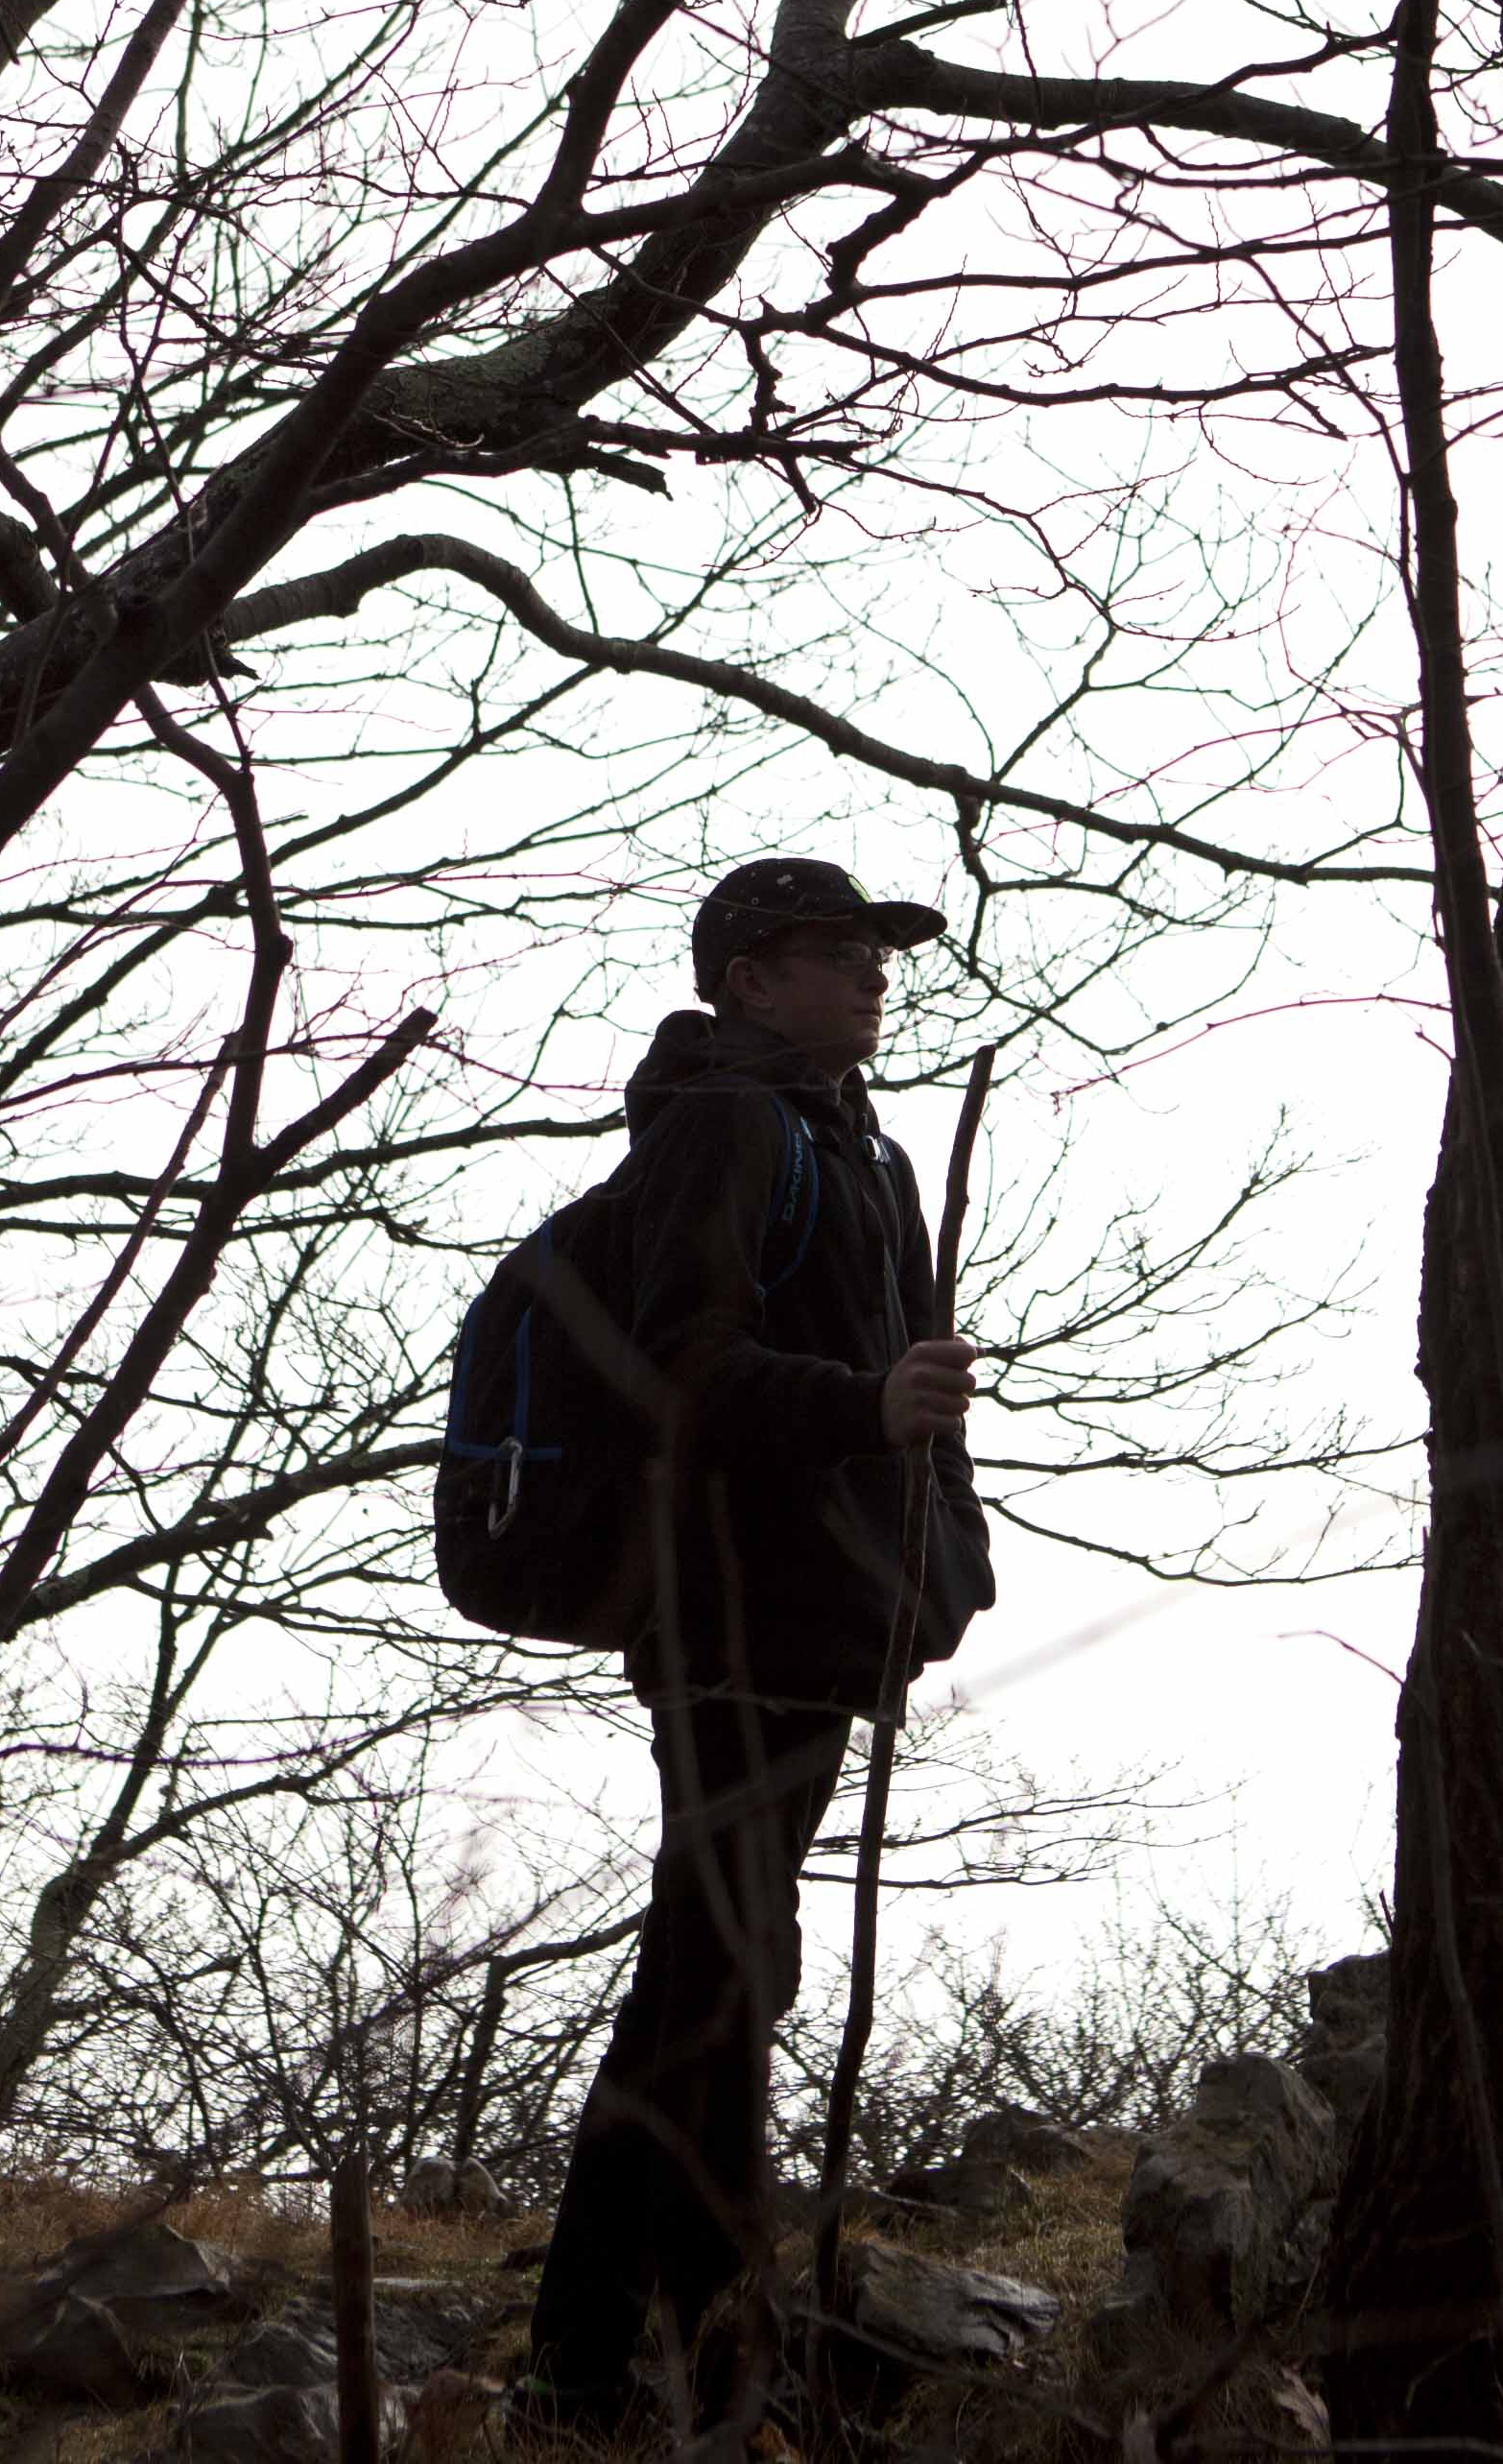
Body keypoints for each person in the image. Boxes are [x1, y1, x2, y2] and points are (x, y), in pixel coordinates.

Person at [518, 857, 999, 2442]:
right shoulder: (728, 1125)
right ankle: (623, 2360)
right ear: (745, 977)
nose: (873, 973)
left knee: (723, 1966)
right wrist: (864, 1410)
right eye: (835, 950)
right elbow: (681, 1371)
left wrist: (943, 1568)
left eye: (877, 951)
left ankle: (635, 2358)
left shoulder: (863, 1148)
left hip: (824, 1613)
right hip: (732, 1610)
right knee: (717, 1971)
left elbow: (909, 1391)